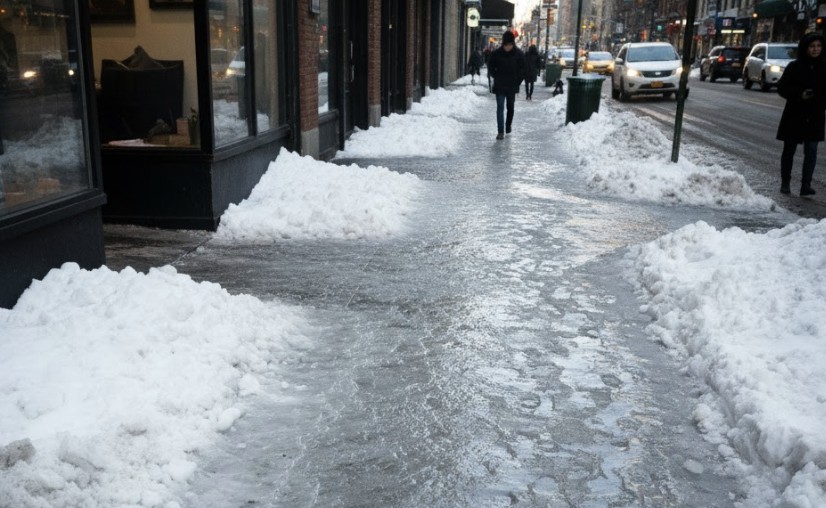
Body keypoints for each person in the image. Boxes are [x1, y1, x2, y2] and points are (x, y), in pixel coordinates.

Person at [776, 32, 826, 196]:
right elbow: (782, 88)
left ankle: (806, 185)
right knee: (789, 149)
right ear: (805, 48)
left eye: (818, 46)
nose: (815, 49)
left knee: (811, 150)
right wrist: (800, 94)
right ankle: (785, 182)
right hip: (795, 114)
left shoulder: (824, 67)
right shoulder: (794, 67)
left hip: (815, 115)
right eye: (812, 46)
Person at [487, 30, 525, 140]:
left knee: (510, 108)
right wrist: (496, 76)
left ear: (513, 44)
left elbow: (522, 70)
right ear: (503, 44)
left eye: (510, 45)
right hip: (500, 85)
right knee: (500, 108)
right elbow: (490, 66)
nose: (508, 47)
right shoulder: (496, 54)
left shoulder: (519, 54)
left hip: (512, 86)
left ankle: (508, 125)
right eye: (506, 45)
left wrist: (517, 81)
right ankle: (500, 131)